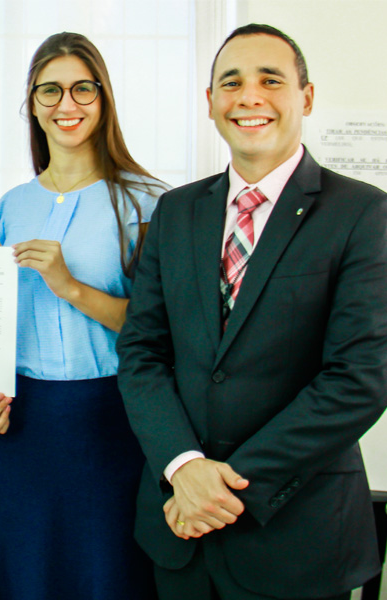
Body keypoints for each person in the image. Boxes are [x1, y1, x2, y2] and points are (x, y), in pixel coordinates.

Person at [116, 24, 387, 600]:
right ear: (210, 101)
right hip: (178, 533)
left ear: (306, 97)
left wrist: (221, 489)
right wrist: (183, 466)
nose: (249, 97)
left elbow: (361, 378)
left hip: (297, 538)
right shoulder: (175, 212)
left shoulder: (365, 214)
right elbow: (142, 353)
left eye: (271, 80)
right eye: (231, 82)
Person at [0, 32, 164, 600]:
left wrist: (70, 286)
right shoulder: (11, 206)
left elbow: (158, 329)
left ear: (103, 99)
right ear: (32, 104)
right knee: (18, 569)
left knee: (103, 570)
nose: (65, 104)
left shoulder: (146, 201)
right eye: (49, 90)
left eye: (82, 89)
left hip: (109, 418)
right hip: (19, 421)